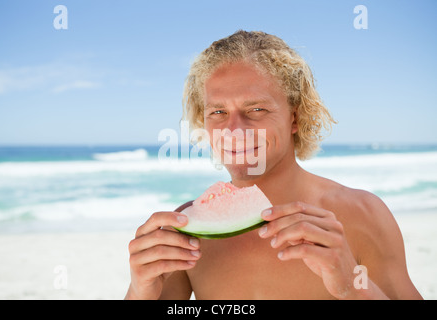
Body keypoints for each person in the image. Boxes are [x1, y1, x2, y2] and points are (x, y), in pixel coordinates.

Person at [126, 30, 422, 299]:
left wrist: (353, 287)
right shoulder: (188, 228)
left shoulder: (363, 215)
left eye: (256, 109)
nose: (234, 130)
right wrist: (141, 291)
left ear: (295, 117)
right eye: (218, 111)